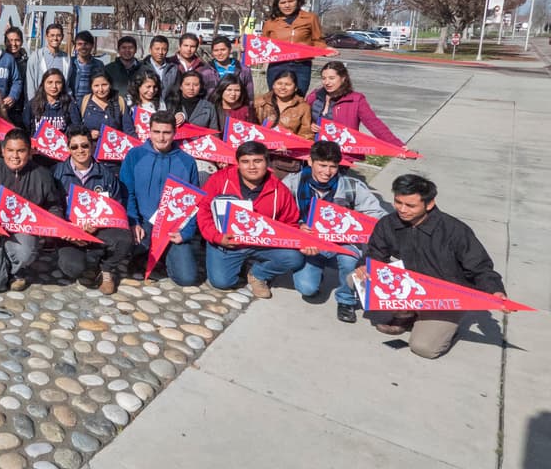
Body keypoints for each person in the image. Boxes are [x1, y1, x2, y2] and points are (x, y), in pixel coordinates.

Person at [353, 174, 507, 360]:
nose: (402, 209)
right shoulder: (388, 224)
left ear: (429, 204)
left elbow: (480, 267)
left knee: (423, 347)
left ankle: (448, 323)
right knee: (354, 278)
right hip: (410, 287)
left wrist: (495, 291)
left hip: (444, 295)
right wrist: (365, 266)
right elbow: (375, 253)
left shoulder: (455, 231)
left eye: (410, 205)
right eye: (398, 202)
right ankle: (408, 313)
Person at [284, 141, 386, 323]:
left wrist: (353, 224)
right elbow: (279, 213)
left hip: (343, 243)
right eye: (322, 165)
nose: (327, 171)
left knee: (349, 261)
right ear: (310, 161)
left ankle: (346, 299)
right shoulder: (292, 182)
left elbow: (378, 216)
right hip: (310, 242)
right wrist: (297, 225)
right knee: (307, 289)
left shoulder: (352, 186)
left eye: (333, 166)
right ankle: (317, 271)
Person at [196, 141, 303, 298]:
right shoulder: (220, 180)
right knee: (222, 282)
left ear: (267, 163)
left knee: (295, 258)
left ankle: (258, 274)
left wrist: (302, 237)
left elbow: (290, 222)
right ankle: (238, 263)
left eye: (257, 161)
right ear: (238, 164)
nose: (252, 167)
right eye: (245, 162)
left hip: (262, 244)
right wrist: (217, 238)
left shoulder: (279, 190)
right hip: (227, 242)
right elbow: (203, 211)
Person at [0, 129, 62, 292]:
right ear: (3, 151)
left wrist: (57, 227)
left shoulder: (42, 176)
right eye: (10, 150)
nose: (15, 156)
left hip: (22, 233)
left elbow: (54, 206)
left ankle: (18, 272)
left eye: (21, 151)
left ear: (30, 151)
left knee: (25, 251)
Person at [119, 111, 201, 286]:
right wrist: (133, 222)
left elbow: (194, 204)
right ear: (149, 131)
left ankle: (165, 255)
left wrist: (185, 233)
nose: (161, 138)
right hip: (144, 223)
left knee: (186, 278)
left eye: (166, 132)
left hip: (172, 226)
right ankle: (143, 255)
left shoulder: (187, 162)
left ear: (174, 133)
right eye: (156, 132)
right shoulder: (135, 155)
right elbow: (127, 193)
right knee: (127, 255)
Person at [52, 127, 133, 294]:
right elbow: (53, 207)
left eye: (84, 145)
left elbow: (116, 208)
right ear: (68, 149)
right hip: (70, 233)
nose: (80, 150)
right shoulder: (56, 174)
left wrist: (98, 225)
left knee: (125, 238)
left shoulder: (106, 175)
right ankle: (88, 261)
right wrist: (67, 230)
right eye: (74, 147)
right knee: (72, 268)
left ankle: (106, 269)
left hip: (99, 230)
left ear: (92, 146)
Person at [308, 61, 406, 155]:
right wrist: (310, 124)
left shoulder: (356, 100)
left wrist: (397, 145)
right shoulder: (315, 95)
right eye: (324, 78)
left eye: (332, 78)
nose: (327, 82)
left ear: (343, 78)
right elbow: (302, 115)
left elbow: (374, 124)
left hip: (340, 152)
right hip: (314, 149)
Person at [261, 0, 325, 95]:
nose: (287, 5)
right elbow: (262, 46)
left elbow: (318, 41)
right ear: (277, 4)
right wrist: (244, 46)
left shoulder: (311, 18)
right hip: (277, 65)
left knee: (298, 98)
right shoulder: (270, 22)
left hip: (301, 66)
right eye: (282, 2)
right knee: (274, 97)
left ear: (298, 1)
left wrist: (326, 50)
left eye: (291, 1)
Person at [254, 70, 313, 175]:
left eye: (288, 84)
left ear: (295, 87)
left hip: (286, 159)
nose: (282, 87)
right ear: (273, 85)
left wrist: (291, 145)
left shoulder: (303, 107)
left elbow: (306, 135)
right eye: (279, 83)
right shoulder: (260, 102)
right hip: (259, 154)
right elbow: (252, 126)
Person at [24, 68, 81, 143]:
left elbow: (77, 128)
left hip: (61, 149)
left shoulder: (69, 104)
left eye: (58, 82)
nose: (54, 86)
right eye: (50, 82)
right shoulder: (33, 104)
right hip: (38, 149)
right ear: (43, 84)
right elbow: (25, 128)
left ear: (63, 84)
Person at [79, 72, 130, 141]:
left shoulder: (119, 102)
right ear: (91, 87)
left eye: (104, 85)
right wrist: (88, 134)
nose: (101, 89)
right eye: (96, 86)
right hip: (91, 147)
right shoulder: (84, 102)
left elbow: (128, 129)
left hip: (115, 147)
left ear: (110, 85)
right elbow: (76, 128)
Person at [25, 23, 70, 101]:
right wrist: (33, 105)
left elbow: (67, 83)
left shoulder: (66, 58)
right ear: (46, 37)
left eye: (58, 35)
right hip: (40, 103)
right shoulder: (36, 57)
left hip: (61, 104)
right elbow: (30, 84)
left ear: (62, 37)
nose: (55, 38)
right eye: (52, 35)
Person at [69, 31, 106, 102]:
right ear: (75, 46)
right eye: (80, 44)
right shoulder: (69, 63)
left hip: (90, 104)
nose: (83, 47)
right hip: (72, 103)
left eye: (86, 44)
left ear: (92, 45)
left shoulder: (99, 65)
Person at [4, 26, 29, 126]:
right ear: (5, 42)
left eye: (17, 40)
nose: (13, 44)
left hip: (21, 109)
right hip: (3, 107)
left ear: (22, 42)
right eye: (10, 40)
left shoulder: (27, 62)